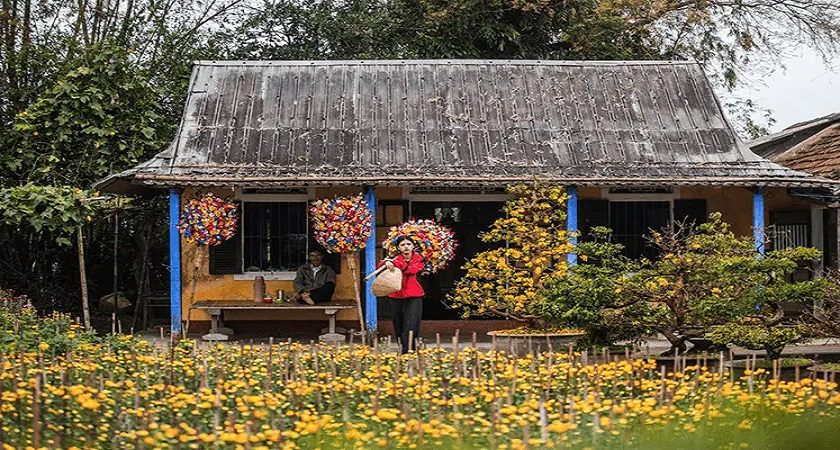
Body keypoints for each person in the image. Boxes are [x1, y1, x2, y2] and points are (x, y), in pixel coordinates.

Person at [378, 236, 426, 354]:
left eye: (408, 244)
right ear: (398, 248)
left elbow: (411, 270)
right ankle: (403, 348)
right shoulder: (394, 259)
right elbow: (380, 267)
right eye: (403, 245)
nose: (406, 247)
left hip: (414, 296)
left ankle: (408, 350)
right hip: (396, 295)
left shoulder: (419, 259)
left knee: (411, 323)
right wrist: (387, 262)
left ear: (413, 246)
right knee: (398, 323)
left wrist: (396, 263)